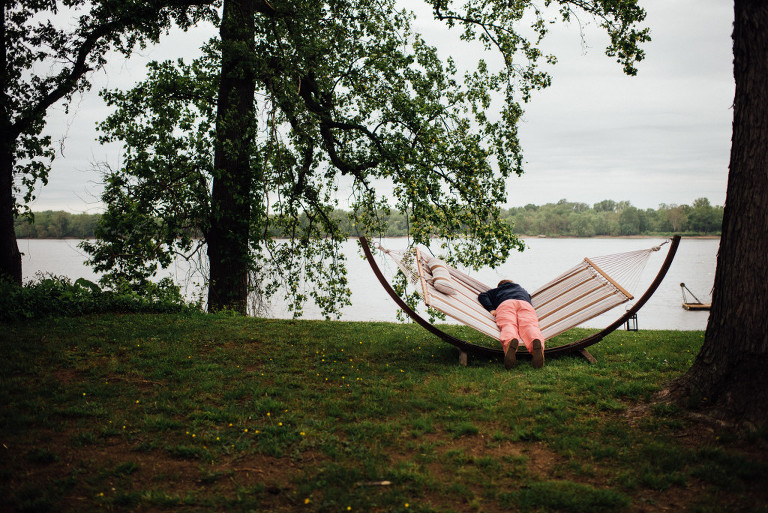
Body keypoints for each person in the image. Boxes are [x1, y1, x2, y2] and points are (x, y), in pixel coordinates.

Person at [478, 280, 545, 369]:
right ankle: (535, 342)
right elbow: (529, 297)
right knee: (529, 325)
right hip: (525, 304)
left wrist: (491, 308)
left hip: (506, 304)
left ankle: (510, 341)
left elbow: (482, 296)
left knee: (508, 324)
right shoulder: (522, 289)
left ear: (500, 286)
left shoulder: (497, 290)